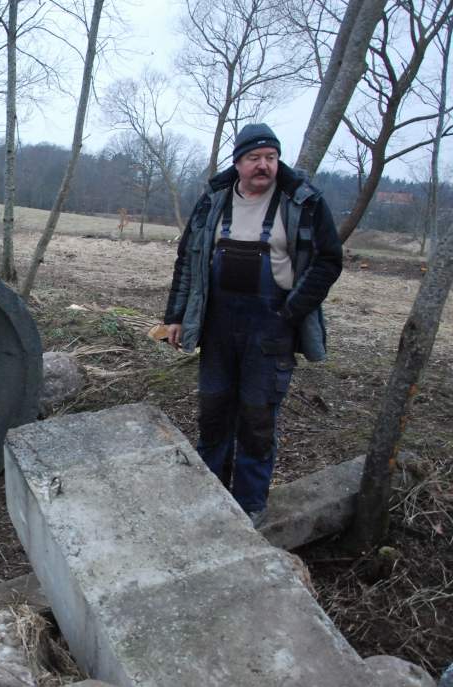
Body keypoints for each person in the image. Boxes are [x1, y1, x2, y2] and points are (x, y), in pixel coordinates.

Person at [163, 123, 343, 526]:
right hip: (218, 326)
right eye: (254, 158)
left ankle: (249, 508)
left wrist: (292, 312)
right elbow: (187, 260)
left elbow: (329, 261)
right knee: (213, 413)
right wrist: (175, 317)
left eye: (271, 158)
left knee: (257, 418)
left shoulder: (303, 202)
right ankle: (209, 497)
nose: (264, 166)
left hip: (272, 327)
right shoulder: (214, 200)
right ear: (238, 162)